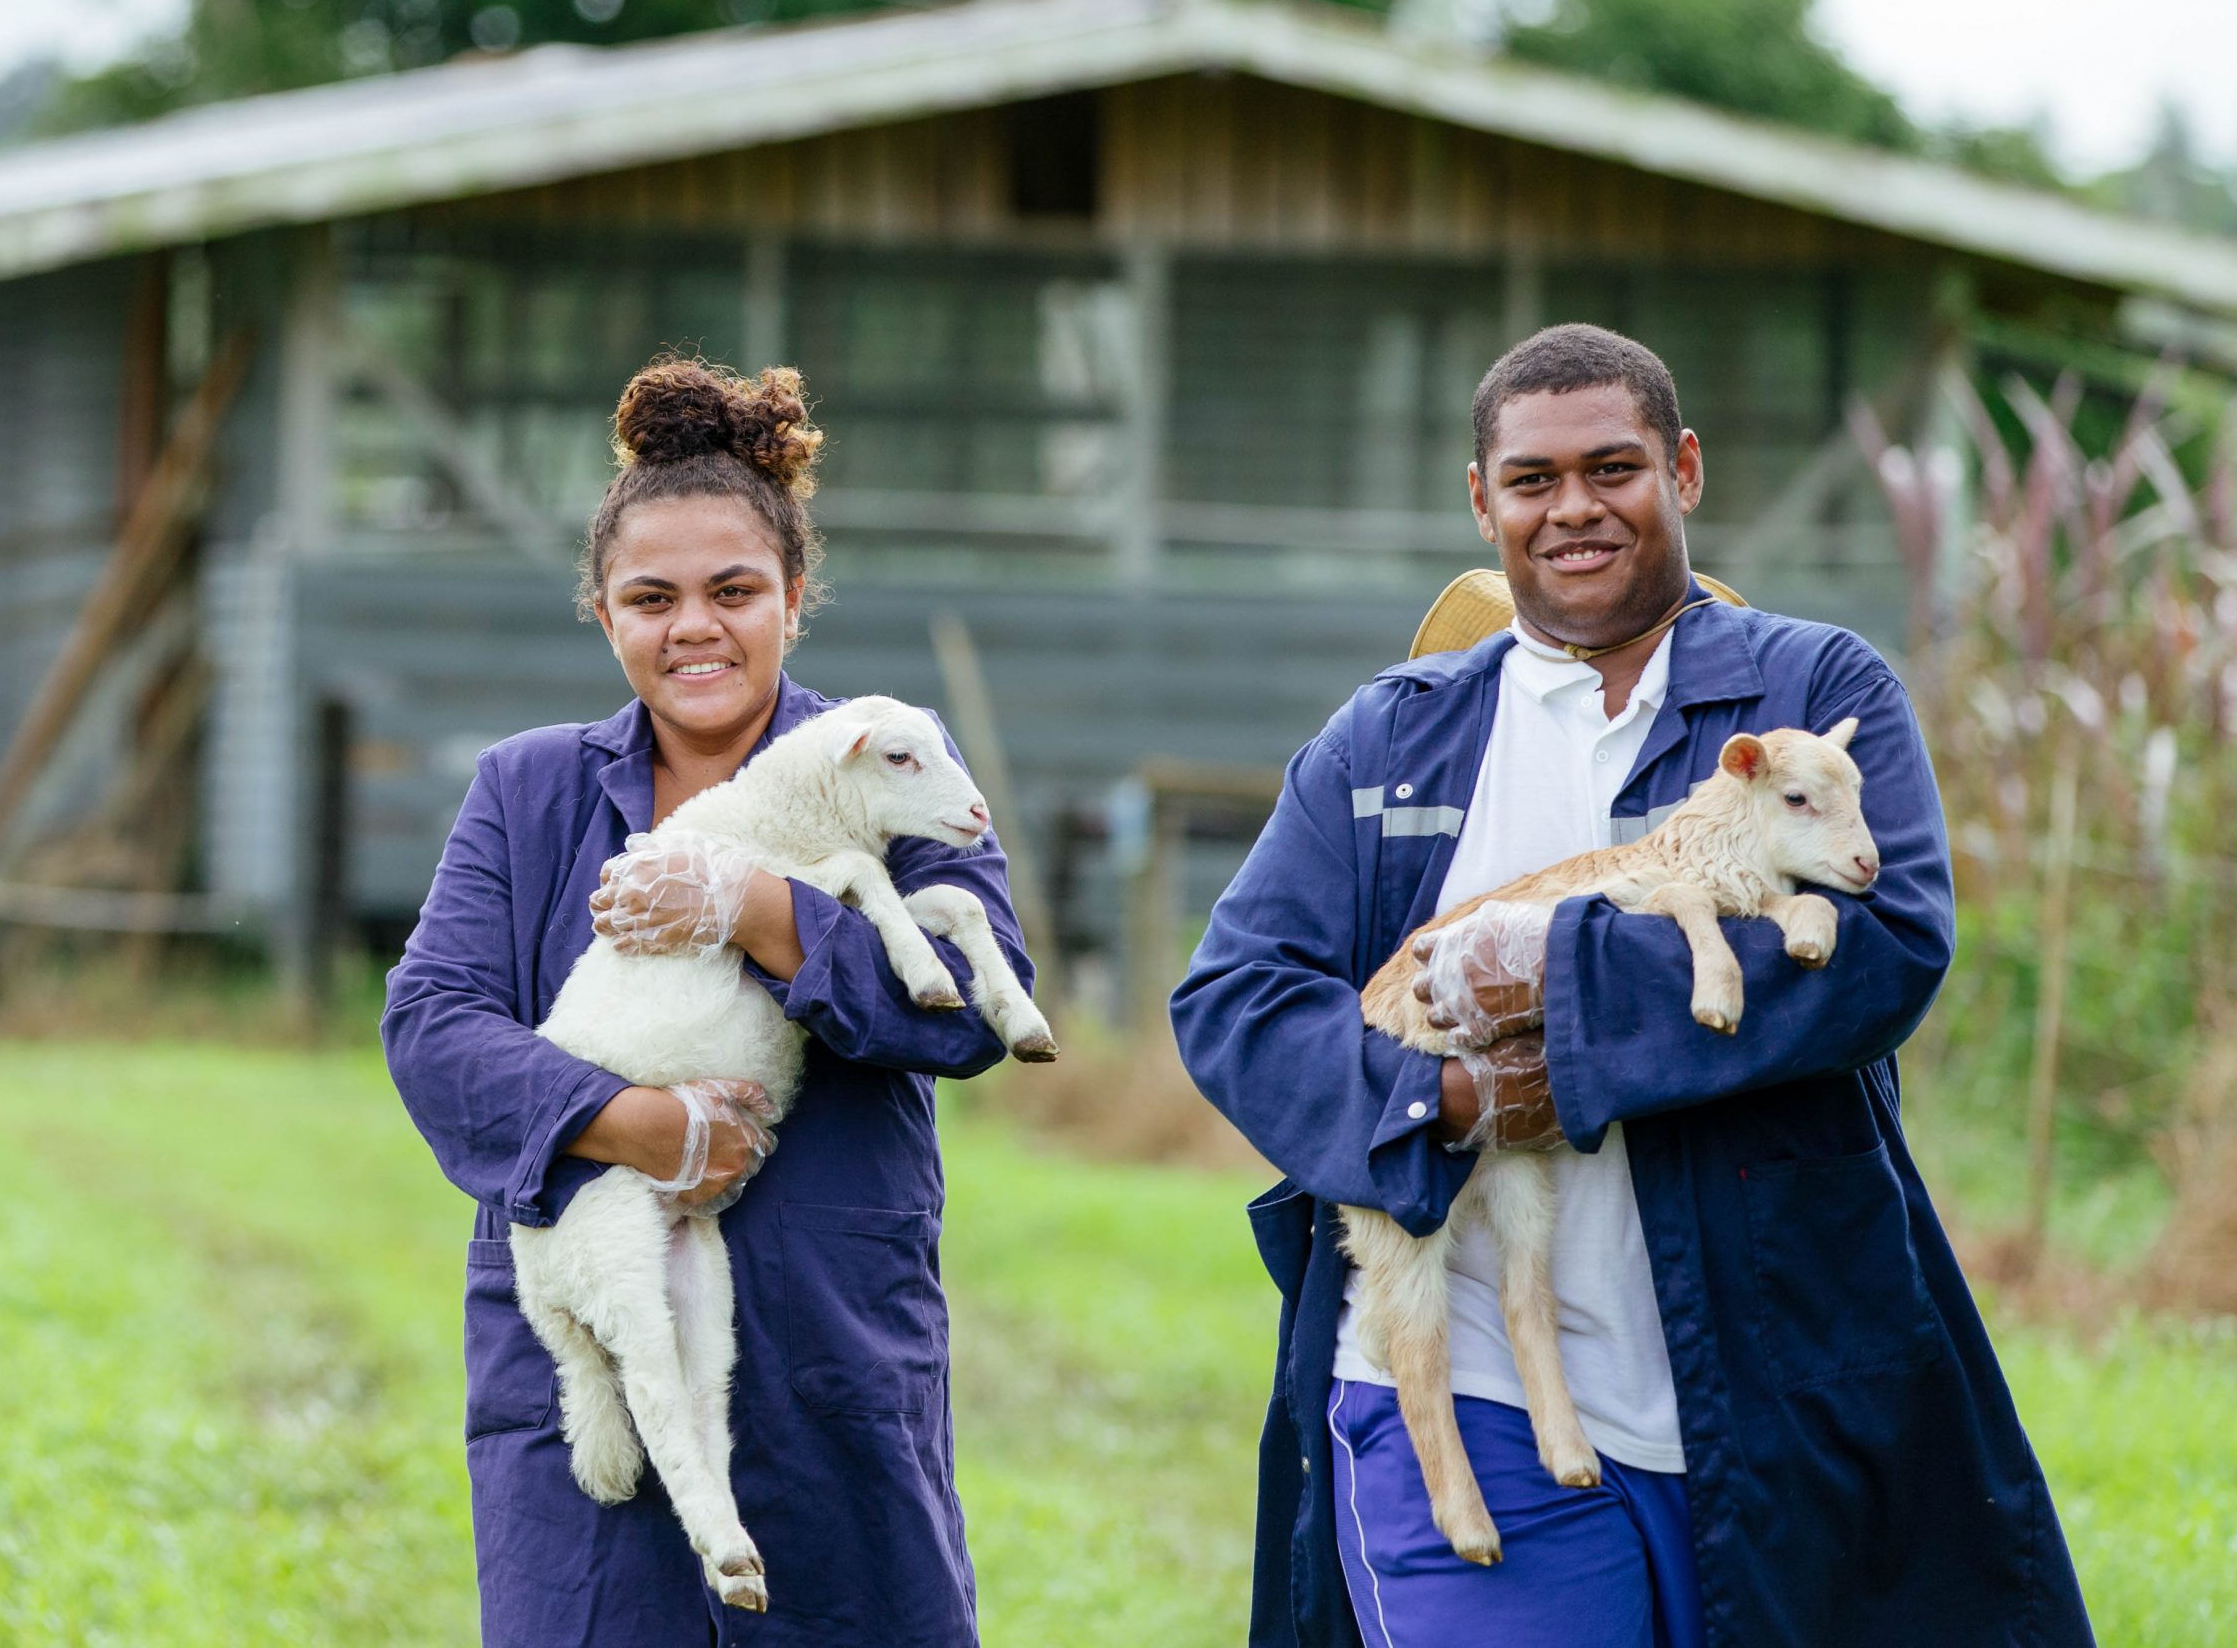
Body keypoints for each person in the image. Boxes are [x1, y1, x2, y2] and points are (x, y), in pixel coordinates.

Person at [1172, 324, 2093, 1648]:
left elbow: (1884, 940)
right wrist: (1450, 1094)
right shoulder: (1393, 738)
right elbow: (1236, 998)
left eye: (1615, 467)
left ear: (1686, 471)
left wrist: (1557, 982)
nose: (1575, 508)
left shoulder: (1814, 689)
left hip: (1772, 1374)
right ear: (1481, 498)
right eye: (1534, 479)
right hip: (1471, 1381)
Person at [383, 356, 1030, 1647]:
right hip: (604, 1310)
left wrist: (756, 908)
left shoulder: (886, 758)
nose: (696, 627)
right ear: (604, 614)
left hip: (830, 1336)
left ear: (795, 596)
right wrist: (637, 1122)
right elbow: (433, 1026)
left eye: (734, 590)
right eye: (651, 596)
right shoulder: (529, 792)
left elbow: (966, 1008)